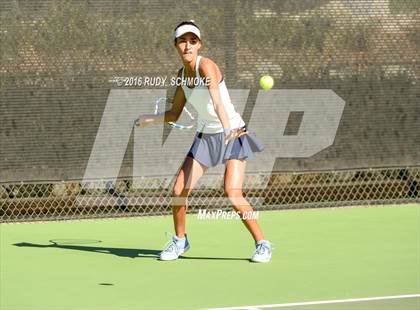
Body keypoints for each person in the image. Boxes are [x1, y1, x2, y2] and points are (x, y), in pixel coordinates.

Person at [136, 21, 272, 263]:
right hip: (206, 136)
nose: (187, 46)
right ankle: (180, 241)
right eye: (182, 41)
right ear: (176, 45)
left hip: (233, 132)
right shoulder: (181, 77)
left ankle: (263, 244)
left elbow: (217, 102)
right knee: (179, 190)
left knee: (232, 193)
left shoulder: (207, 66)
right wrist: (150, 119)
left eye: (192, 41)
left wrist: (228, 128)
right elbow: (174, 114)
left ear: (199, 45)